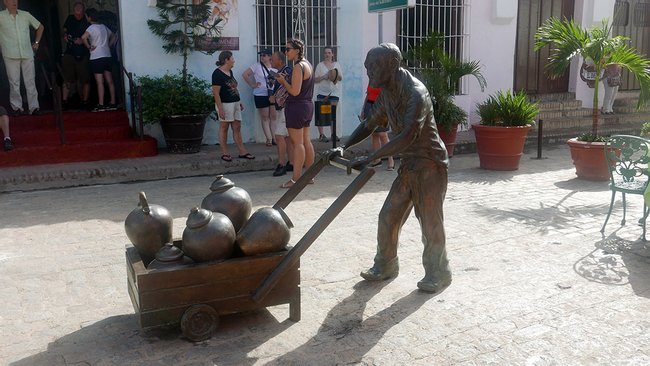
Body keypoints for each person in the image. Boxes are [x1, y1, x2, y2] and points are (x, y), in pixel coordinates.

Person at [343, 43, 450, 293]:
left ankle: (439, 273)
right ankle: (386, 265)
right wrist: (343, 147)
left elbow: (406, 136)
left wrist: (372, 157)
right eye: (367, 67)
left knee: (430, 220)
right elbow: (370, 123)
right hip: (410, 165)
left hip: (430, 164)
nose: (369, 72)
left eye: (373, 67)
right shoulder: (387, 92)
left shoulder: (415, 93)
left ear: (392, 64)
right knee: (388, 215)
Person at [275, 38, 315, 188]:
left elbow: (294, 91)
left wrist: (283, 82)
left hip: (297, 106)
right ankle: (309, 176)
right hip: (306, 106)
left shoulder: (298, 67)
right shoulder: (308, 64)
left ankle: (296, 179)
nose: (286, 52)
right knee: (306, 141)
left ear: (297, 51)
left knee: (297, 143)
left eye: (288, 49)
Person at [0, 0, 44, 115]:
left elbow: (40, 27)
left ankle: (34, 107)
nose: (14, 2)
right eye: (11, 0)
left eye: (15, 0)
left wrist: (36, 42)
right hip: (10, 53)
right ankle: (17, 108)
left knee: (30, 81)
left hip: (27, 53)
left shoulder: (25, 15)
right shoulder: (1, 16)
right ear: (5, 2)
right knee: (14, 82)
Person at [212, 50, 255, 162]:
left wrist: (239, 101)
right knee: (224, 127)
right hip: (225, 104)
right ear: (226, 60)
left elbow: (233, 87)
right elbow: (216, 92)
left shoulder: (230, 72)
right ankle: (225, 153)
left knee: (237, 127)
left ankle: (242, 151)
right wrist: (220, 108)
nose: (234, 60)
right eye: (232, 58)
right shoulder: (217, 74)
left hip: (234, 103)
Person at [81, 8, 116, 112]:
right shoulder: (104, 27)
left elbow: (83, 37)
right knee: (110, 81)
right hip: (107, 55)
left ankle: (101, 104)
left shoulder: (91, 28)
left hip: (96, 56)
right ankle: (113, 102)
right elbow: (113, 36)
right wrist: (108, 45)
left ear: (89, 17)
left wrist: (89, 47)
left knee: (99, 82)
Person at [242, 48, 277, 146]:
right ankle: (269, 139)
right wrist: (252, 84)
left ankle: (274, 138)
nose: (262, 57)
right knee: (265, 117)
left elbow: (279, 80)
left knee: (273, 116)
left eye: (264, 55)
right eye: (261, 55)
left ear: (270, 56)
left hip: (272, 94)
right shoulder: (257, 66)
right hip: (260, 94)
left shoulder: (274, 67)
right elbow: (245, 74)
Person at [61, 2, 91, 109]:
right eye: (76, 13)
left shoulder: (87, 21)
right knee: (67, 78)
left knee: (85, 79)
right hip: (70, 52)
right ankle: (64, 101)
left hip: (83, 53)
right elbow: (64, 29)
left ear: (83, 12)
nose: (77, 15)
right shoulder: (70, 18)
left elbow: (93, 36)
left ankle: (85, 101)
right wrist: (65, 35)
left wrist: (83, 41)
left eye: (80, 13)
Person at [269, 50, 294, 177]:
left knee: (279, 136)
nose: (270, 61)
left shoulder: (286, 72)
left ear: (280, 61)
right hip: (284, 108)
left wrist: (275, 97)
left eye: (273, 59)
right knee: (288, 138)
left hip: (285, 108)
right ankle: (292, 163)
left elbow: (288, 88)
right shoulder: (281, 72)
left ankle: (281, 165)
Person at [314, 46, 343, 142]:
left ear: (332, 54)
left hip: (334, 92)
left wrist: (334, 75)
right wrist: (324, 76)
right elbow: (315, 80)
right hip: (322, 92)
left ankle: (333, 134)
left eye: (329, 53)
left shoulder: (337, 64)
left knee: (332, 114)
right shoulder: (320, 65)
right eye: (325, 53)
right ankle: (321, 135)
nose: (327, 54)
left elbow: (340, 78)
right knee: (321, 113)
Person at [362, 85, 394, 171]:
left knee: (383, 134)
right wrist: (363, 110)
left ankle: (391, 160)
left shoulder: (384, 79)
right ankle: (377, 159)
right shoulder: (372, 79)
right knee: (374, 134)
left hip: (382, 107)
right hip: (369, 106)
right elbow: (368, 95)